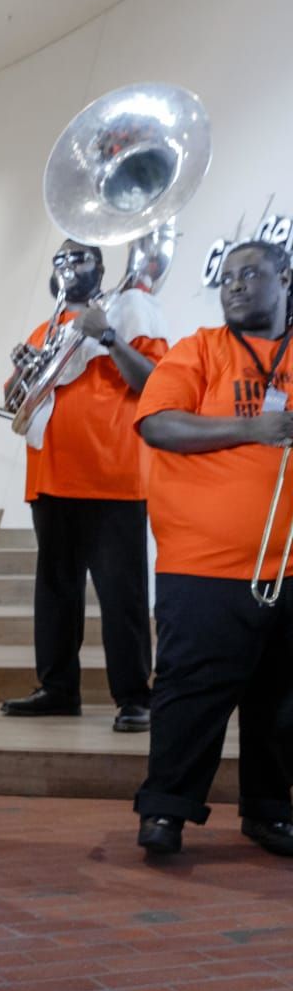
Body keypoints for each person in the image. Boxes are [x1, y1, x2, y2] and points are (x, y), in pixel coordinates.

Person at [133, 239, 293, 856]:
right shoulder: (198, 349)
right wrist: (254, 428)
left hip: (289, 569)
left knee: (282, 702)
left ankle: (270, 811)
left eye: (249, 274)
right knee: (189, 696)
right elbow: (158, 423)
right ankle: (166, 811)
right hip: (203, 569)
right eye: (226, 277)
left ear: (284, 277)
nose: (233, 286)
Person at [1, 240, 168, 732]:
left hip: (112, 478)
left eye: (80, 259)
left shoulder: (129, 314)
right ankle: (57, 688)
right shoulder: (46, 328)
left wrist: (110, 338)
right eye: (61, 260)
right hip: (50, 478)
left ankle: (135, 697)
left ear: (100, 266)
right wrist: (21, 372)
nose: (69, 267)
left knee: (123, 596)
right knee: (55, 593)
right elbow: (16, 401)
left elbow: (156, 383)